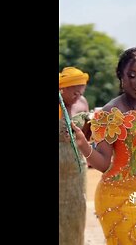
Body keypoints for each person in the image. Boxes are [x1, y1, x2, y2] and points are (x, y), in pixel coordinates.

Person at [69, 47, 136, 244]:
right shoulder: (110, 112)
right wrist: (83, 144)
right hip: (119, 195)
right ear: (121, 76)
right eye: (132, 75)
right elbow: (103, 164)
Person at [58, 66, 90, 245]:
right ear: (63, 88)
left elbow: (87, 134)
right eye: (74, 88)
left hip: (76, 168)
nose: (78, 92)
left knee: (76, 210)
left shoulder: (83, 103)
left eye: (82, 88)